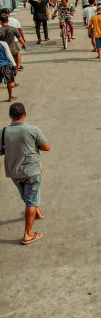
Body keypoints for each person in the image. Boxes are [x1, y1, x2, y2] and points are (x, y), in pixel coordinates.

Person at [0, 102, 50, 245]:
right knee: (31, 199)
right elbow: (46, 147)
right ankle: (28, 234)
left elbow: (1, 151)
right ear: (25, 114)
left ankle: (37, 212)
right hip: (31, 170)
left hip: (14, 171)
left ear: (10, 116)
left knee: (26, 195)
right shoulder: (32, 129)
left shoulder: (3, 132)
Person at [0, 36, 17, 101]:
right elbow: (9, 55)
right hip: (5, 65)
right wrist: (14, 65)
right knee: (9, 82)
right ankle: (10, 97)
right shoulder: (3, 43)